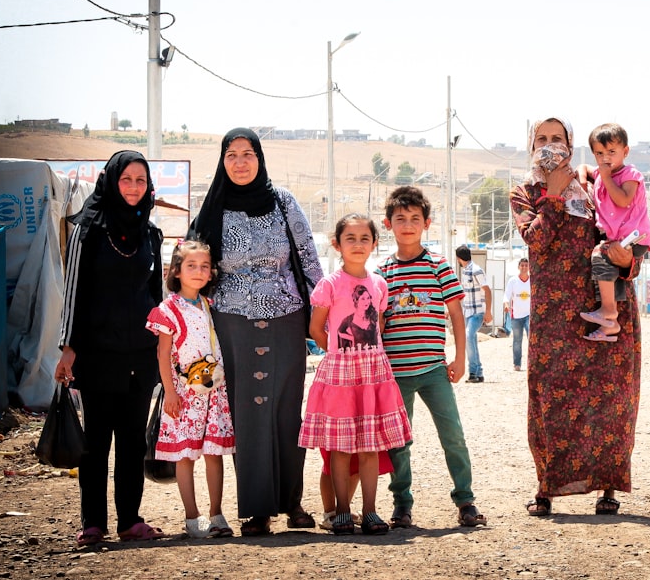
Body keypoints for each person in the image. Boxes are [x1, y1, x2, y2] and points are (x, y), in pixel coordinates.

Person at [188, 127, 323, 537]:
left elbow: (308, 257)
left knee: (286, 410)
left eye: (248, 154)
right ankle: (257, 508)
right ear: (222, 161)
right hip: (232, 321)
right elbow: (191, 265)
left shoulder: (283, 202)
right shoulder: (212, 208)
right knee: (246, 413)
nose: (240, 162)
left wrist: (321, 313)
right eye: (232, 155)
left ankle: (292, 503)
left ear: (260, 158)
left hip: (287, 316)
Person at [510, 117, 642, 517]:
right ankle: (546, 488)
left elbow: (619, 229)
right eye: (541, 139)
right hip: (553, 315)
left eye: (558, 138)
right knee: (549, 400)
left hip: (604, 309)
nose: (550, 146)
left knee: (612, 398)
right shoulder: (523, 191)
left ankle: (608, 488)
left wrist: (629, 262)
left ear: (570, 143)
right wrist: (550, 196)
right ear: (530, 145)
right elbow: (535, 240)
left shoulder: (592, 182)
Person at [54, 150, 167, 546]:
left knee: (133, 439)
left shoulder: (151, 235)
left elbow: (159, 297)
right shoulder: (88, 230)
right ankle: (93, 523)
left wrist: (167, 348)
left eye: (141, 181)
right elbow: (73, 293)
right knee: (97, 440)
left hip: (140, 354)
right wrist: (67, 347)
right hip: (98, 353)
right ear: (112, 181)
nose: (134, 188)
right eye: (127, 180)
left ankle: (129, 520)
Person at [375, 186, 488, 528]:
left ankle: (466, 500)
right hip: (395, 373)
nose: (407, 225)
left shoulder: (438, 265)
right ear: (388, 224)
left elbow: (456, 314)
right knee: (399, 442)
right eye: (400, 219)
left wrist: (459, 358)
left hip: (435, 370)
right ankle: (401, 504)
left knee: (452, 434)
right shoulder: (381, 273)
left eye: (414, 219)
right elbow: (377, 325)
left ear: (427, 223)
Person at [299, 214, 412, 535]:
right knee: (340, 446)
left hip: (374, 374)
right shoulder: (329, 284)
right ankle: (342, 512)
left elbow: (379, 326)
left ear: (375, 243)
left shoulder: (379, 284)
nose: (358, 244)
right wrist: (338, 353)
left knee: (371, 445)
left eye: (365, 238)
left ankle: (371, 511)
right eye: (350, 238)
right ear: (337, 244)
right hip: (340, 374)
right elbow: (315, 329)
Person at [145, 240, 235, 538]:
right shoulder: (168, 309)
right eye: (191, 266)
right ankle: (192, 516)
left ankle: (217, 513)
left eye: (204, 266)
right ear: (176, 272)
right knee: (185, 454)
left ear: (211, 273)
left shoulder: (211, 305)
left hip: (213, 394)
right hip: (183, 395)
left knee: (214, 452)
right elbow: (162, 354)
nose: (198, 271)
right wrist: (169, 392)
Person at [576, 123, 650, 341]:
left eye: (612, 152)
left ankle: (608, 311)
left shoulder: (630, 174)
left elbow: (623, 199)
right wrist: (584, 173)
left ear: (625, 152)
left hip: (633, 237)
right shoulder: (602, 173)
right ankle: (610, 325)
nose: (605, 158)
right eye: (599, 153)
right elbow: (584, 167)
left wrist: (606, 177)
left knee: (599, 255)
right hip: (618, 239)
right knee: (610, 275)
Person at [454, 245, 492, 383]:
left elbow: (487, 290)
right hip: (468, 312)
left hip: (477, 312)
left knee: (468, 337)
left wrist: (488, 311)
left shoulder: (476, 270)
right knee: (472, 340)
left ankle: (473, 373)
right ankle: (478, 373)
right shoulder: (465, 272)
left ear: (458, 258)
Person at [502, 258, 531, 371]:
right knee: (517, 340)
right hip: (516, 315)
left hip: (529, 314)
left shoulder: (531, 281)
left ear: (529, 267)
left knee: (531, 339)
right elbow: (507, 295)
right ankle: (517, 363)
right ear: (519, 267)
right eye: (522, 265)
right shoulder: (513, 281)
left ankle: (531, 363)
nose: (524, 267)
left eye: (526, 265)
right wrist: (506, 304)